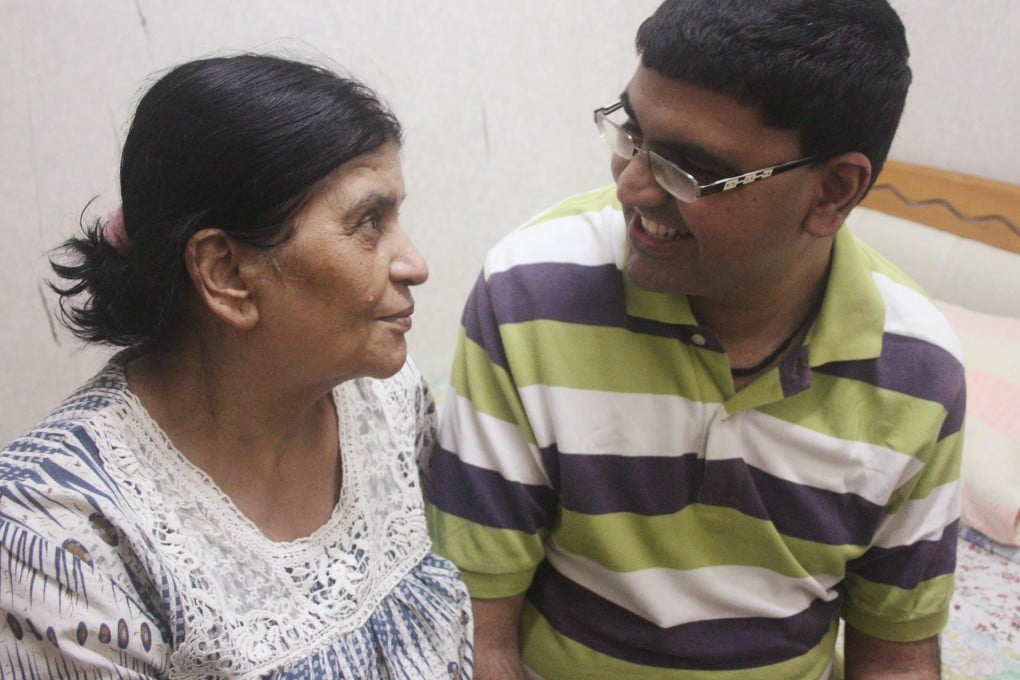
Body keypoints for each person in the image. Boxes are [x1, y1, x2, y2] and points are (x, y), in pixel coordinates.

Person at [425, 1, 963, 678]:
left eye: (691, 168)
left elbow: (895, 655)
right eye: (631, 133)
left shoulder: (918, 371)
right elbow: (481, 630)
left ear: (833, 190)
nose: (632, 186)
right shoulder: (531, 295)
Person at [0, 54, 472, 678]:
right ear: (226, 274)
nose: (414, 262)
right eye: (367, 223)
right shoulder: (63, 534)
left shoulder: (387, 404)